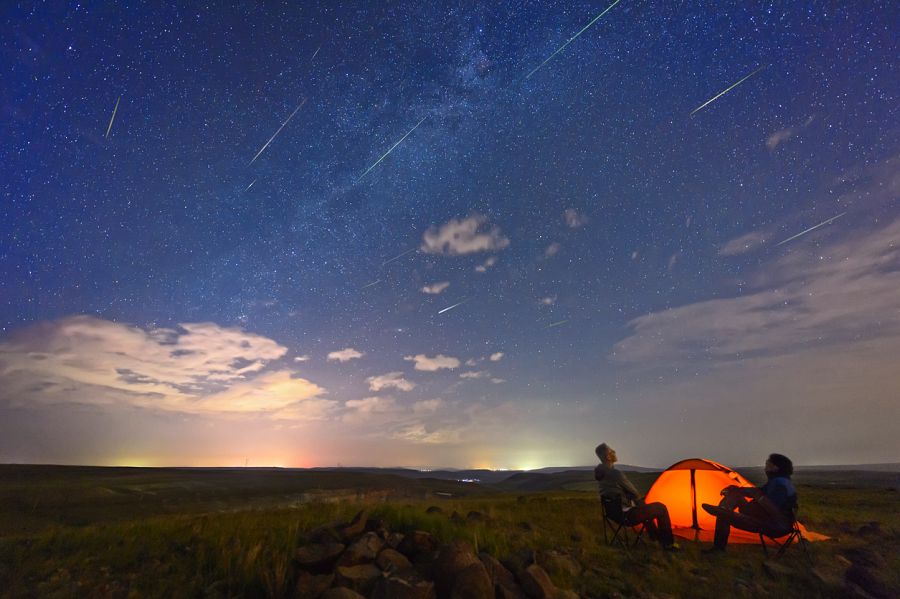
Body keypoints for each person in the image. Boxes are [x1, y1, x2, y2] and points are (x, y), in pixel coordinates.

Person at [701, 453, 797, 553]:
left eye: (768, 463)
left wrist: (746, 512)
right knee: (734, 495)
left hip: (771, 525)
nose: (765, 465)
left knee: (723, 515)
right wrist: (737, 489)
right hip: (772, 520)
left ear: (775, 467)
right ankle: (724, 509)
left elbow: (771, 509)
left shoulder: (779, 485)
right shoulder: (781, 481)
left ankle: (719, 545)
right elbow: (759, 491)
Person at [594, 443, 679, 550]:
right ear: (608, 456)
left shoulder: (600, 475)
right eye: (611, 451)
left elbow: (615, 492)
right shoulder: (615, 473)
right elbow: (634, 492)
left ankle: (655, 537)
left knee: (641, 504)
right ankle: (668, 543)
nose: (614, 452)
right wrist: (633, 497)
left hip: (613, 514)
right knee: (660, 508)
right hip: (626, 516)